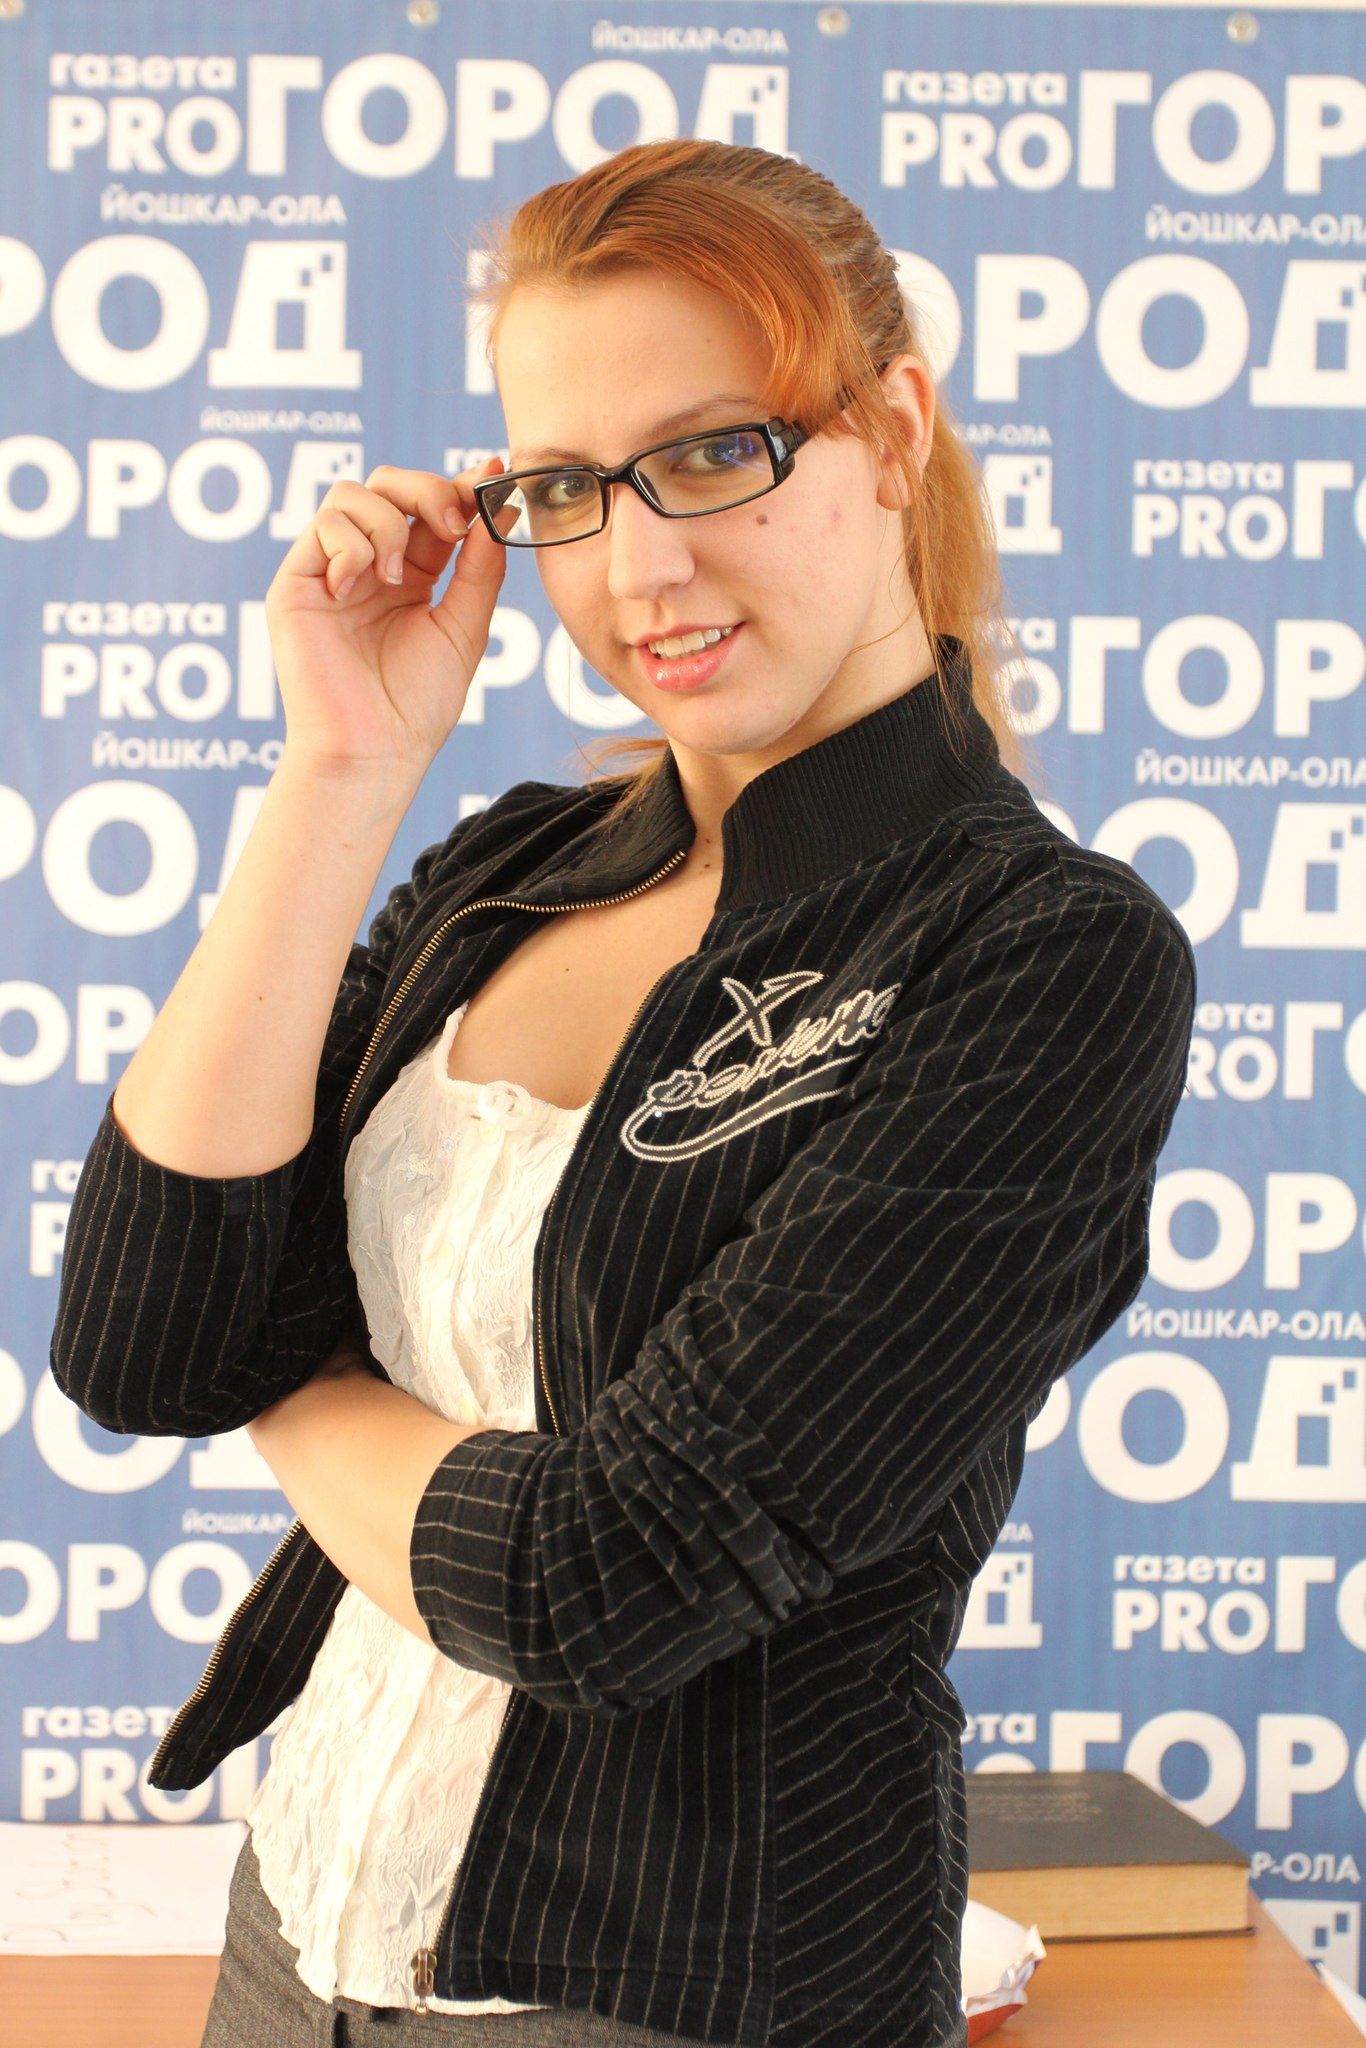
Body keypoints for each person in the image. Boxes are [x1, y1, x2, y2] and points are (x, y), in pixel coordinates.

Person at [51, 140, 1194, 2048]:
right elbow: (143, 1340)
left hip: (689, 1994)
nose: (639, 568)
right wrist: (340, 775)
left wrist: (288, 1378)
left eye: (714, 453)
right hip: (294, 1941)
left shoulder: (1041, 953)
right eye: (564, 489)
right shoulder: (506, 867)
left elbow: (608, 1582)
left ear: (891, 433)